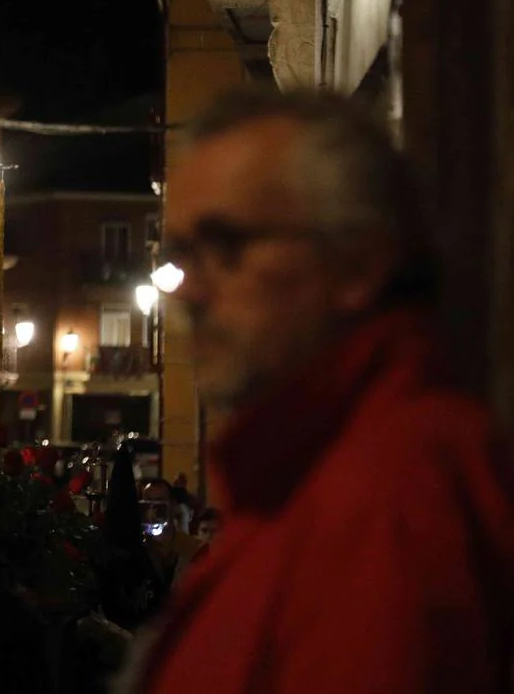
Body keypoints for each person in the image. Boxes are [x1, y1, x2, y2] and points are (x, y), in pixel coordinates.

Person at [120, 90, 514, 693]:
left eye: (226, 246)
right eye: (180, 257)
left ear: (357, 264)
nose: (189, 294)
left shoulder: (389, 502)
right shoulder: (300, 478)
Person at [138, 479, 205, 586]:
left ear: (173, 505)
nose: (153, 508)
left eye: (160, 502)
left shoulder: (193, 548)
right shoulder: (134, 548)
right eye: (148, 501)